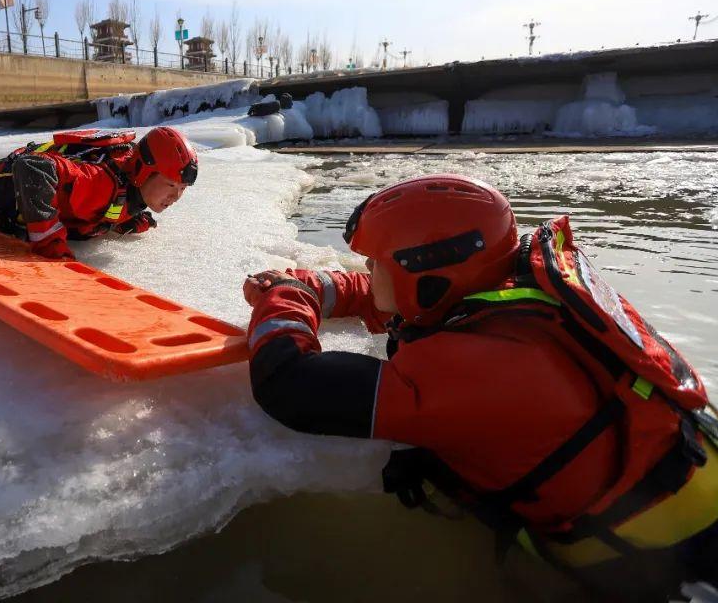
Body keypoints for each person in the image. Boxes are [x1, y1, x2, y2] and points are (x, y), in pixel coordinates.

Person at [243, 173, 718, 602]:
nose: (367, 269)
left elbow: (290, 384)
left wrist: (280, 301)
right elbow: (385, 296)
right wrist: (303, 285)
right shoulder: (506, 291)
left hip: (678, 559)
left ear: (427, 273)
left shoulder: (481, 369)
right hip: (690, 480)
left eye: (377, 261)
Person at [0, 126, 198, 260]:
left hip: (36, 189)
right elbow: (33, 168)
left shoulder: (133, 187)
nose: (176, 197)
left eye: (182, 189)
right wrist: (48, 244)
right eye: (171, 185)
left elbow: (100, 209)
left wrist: (122, 221)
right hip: (3, 189)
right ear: (144, 171)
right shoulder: (99, 183)